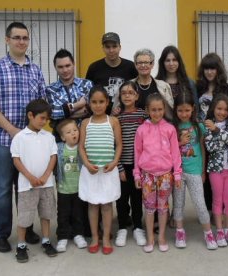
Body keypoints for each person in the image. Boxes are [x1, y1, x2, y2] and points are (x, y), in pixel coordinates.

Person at [0, 21, 44, 253]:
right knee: (3, 187)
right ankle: (0, 233)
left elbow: (40, 104)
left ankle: (25, 229)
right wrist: (10, 129)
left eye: (25, 38)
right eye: (16, 37)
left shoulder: (35, 70)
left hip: (28, 141)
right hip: (1, 139)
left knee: (26, 187)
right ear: (7, 40)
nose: (21, 42)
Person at [10, 99, 58, 262]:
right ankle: (21, 245)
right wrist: (30, 177)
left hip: (47, 184)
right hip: (27, 186)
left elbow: (53, 157)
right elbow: (16, 160)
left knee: (46, 214)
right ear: (30, 115)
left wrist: (45, 176)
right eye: (42, 118)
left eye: (47, 119)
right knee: (24, 216)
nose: (45, 122)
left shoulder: (49, 136)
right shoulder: (19, 137)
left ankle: (46, 241)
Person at [156, 45, 199, 227]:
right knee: (164, 173)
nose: (171, 63)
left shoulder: (188, 83)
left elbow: (194, 107)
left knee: (178, 172)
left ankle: (176, 213)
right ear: (162, 63)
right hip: (163, 132)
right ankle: (162, 212)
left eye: (174, 59)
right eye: (167, 60)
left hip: (183, 132)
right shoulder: (157, 82)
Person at [133, 93, 182, 253]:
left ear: (164, 109)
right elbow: (137, 153)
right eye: (153, 110)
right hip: (147, 175)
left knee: (163, 207)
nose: (157, 113)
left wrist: (177, 174)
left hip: (166, 175)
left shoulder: (170, 129)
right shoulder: (141, 130)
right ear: (147, 110)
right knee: (149, 208)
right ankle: (150, 238)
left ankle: (161, 236)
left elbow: (175, 152)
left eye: (160, 109)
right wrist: (137, 174)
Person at [78, 86, 122, 255]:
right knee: (93, 204)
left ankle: (106, 238)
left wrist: (115, 162)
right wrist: (87, 164)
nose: (98, 105)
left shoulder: (113, 121)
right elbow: (81, 147)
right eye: (94, 102)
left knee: (106, 205)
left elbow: (118, 145)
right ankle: (95, 237)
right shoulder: (85, 123)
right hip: (91, 171)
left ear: (107, 102)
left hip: (108, 171)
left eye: (101, 102)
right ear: (89, 103)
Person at [172, 92, 218, 250]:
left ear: (193, 109)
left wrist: (203, 170)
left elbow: (204, 149)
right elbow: (168, 150)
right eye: (180, 110)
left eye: (187, 110)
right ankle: (179, 231)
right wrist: (180, 142)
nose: (183, 114)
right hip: (177, 172)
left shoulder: (199, 127)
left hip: (194, 171)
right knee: (178, 204)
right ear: (175, 110)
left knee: (200, 203)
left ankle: (208, 233)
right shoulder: (172, 127)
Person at [196, 53, 228, 216]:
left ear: (218, 69)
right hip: (202, 135)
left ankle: (223, 208)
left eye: (212, 68)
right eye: (206, 68)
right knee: (205, 171)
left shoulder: (225, 88)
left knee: (219, 172)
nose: (209, 72)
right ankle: (210, 209)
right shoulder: (198, 87)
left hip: (220, 135)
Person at [204, 94, 228, 247]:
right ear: (213, 108)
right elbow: (211, 147)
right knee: (217, 200)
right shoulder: (208, 124)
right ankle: (219, 231)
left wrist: (217, 132)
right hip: (216, 169)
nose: (222, 112)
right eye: (219, 108)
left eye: (225, 110)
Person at [114, 81, 147, 247]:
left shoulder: (143, 115)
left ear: (137, 96)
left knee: (136, 197)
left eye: (130, 92)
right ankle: (122, 228)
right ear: (120, 96)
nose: (127, 95)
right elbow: (114, 144)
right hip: (121, 165)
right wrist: (118, 167)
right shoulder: (116, 118)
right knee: (121, 198)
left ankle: (138, 227)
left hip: (139, 166)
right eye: (124, 93)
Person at [55, 119, 87, 253]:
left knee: (78, 213)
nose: (73, 133)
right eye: (68, 132)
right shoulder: (59, 148)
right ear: (62, 137)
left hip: (79, 189)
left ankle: (78, 234)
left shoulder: (82, 147)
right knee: (63, 214)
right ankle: (63, 236)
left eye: (75, 130)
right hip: (64, 189)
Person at [46, 49, 92, 142]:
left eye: (68, 66)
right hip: (62, 140)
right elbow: (53, 114)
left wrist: (64, 115)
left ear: (73, 64)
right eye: (60, 67)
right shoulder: (50, 89)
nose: (65, 70)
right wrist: (78, 104)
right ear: (55, 67)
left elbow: (90, 109)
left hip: (87, 138)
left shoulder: (87, 84)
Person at [86, 32, 137, 114]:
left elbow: (137, 90)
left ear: (120, 47)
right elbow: (88, 93)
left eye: (114, 46)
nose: (111, 50)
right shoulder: (94, 68)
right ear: (103, 48)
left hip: (126, 116)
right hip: (100, 116)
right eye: (107, 47)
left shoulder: (130, 67)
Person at [132, 48, 174, 120]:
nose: (143, 65)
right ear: (135, 65)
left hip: (159, 128)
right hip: (134, 129)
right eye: (140, 63)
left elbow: (171, 110)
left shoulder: (163, 86)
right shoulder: (128, 86)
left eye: (146, 62)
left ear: (152, 64)